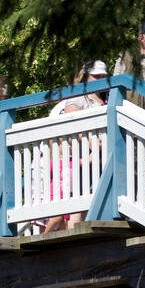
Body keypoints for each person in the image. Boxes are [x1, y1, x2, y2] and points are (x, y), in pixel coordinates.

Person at [43, 61, 109, 234]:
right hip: (83, 156)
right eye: (96, 75)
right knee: (77, 197)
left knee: (94, 194)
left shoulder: (107, 97)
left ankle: (89, 230)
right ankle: (74, 233)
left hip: (101, 156)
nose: (100, 79)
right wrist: (93, 143)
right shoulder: (79, 94)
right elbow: (74, 122)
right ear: (87, 76)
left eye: (103, 76)